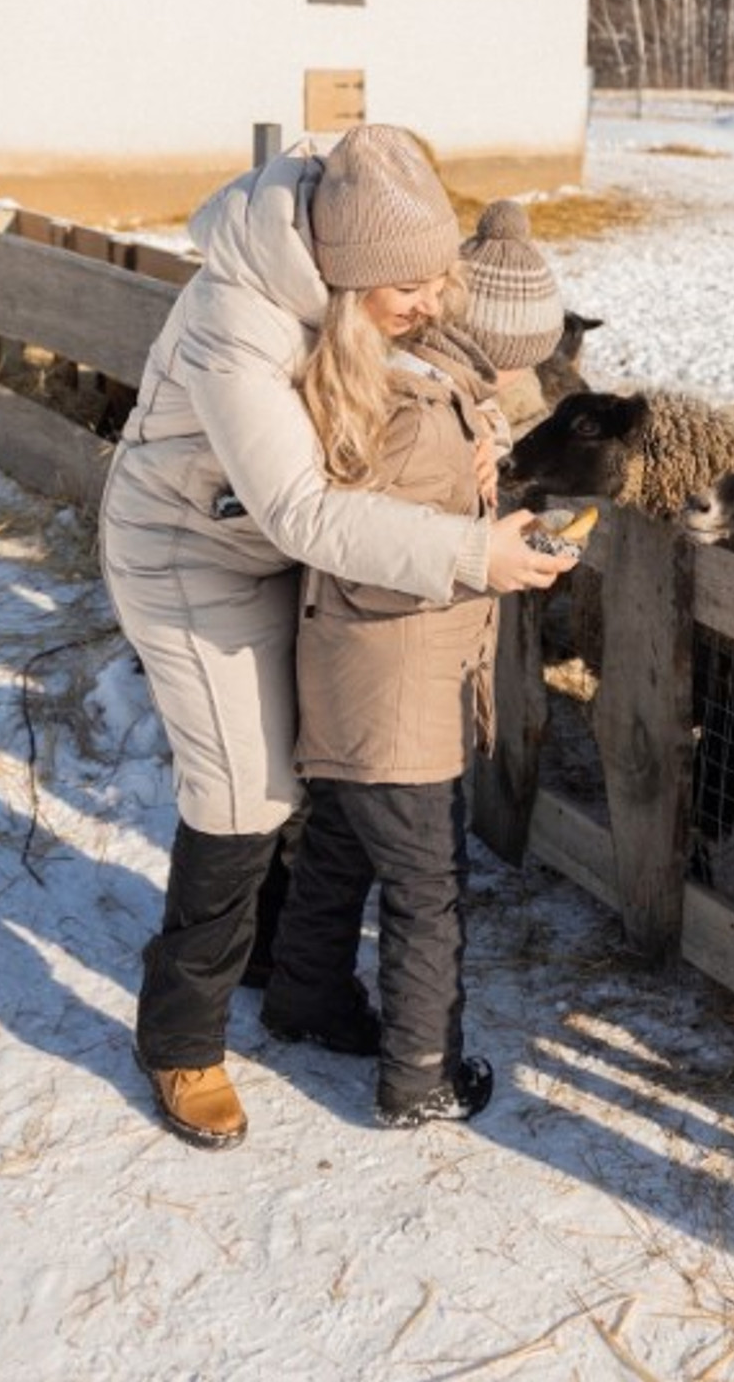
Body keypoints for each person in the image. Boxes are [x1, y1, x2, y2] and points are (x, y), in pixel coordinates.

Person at [99, 124, 563, 1149]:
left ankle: (271, 964)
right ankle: (179, 1036)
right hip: (190, 557)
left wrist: (474, 429)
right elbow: (303, 508)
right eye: (414, 286)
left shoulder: (349, 267)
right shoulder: (236, 323)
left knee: (300, 771)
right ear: (349, 278)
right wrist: (463, 551)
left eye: (438, 281)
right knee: (242, 790)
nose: (431, 304)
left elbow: (404, 371)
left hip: (278, 556)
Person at [261, 198, 567, 1127]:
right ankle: (418, 1075)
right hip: (398, 684)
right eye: (525, 355)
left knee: (342, 847)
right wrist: (493, 554)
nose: (527, 375)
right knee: (429, 887)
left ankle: (301, 997)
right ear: (492, 339)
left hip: (364, 679)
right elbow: (371, 544)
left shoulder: (425, 393)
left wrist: (480, 502)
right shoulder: (420, 415)